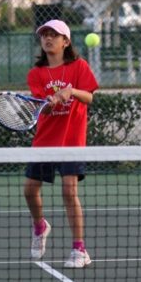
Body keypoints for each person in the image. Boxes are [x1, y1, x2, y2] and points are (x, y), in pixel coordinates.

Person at [24, 19, 99, 268]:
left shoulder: (79, 67)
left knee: (69, 191)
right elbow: (39, 110)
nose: (47, 39)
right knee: (29, 190)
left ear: (65, 41)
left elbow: (88, 96)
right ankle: (40, 226)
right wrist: (48, 103)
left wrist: (70, 92)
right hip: (44, 141)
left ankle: (79, 250)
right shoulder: (36, 74)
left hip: (72, 141)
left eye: (53, 35)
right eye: (44, 35)